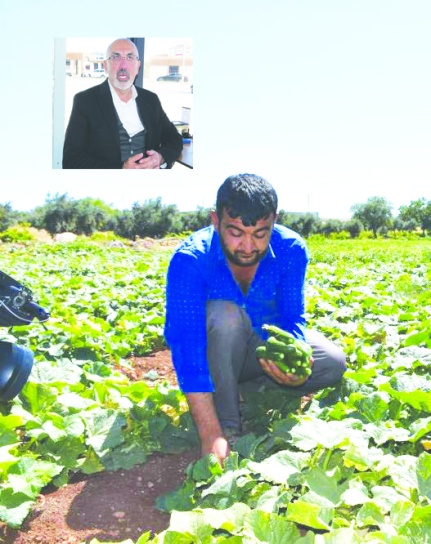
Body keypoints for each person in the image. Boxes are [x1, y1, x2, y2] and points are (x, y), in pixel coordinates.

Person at [164, 173, 347, 462]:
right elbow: (187, 347)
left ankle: (245, 389)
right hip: (213, 350)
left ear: (274, 220)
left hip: (260, 348)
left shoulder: (291, 249)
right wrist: (210, 435)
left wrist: (296, 354)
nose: (248, 246)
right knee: (225, 316)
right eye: (235, 232)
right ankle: (227, 423)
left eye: (260, 234)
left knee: (332, 363)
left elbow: (292, 316)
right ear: (215, 220)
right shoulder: (190, 260)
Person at [62, 38, 183, 169]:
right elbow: (71, 160)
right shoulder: (85, 101)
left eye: (130, 57)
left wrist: (160, 158)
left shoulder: (150, 100)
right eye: (116, 57)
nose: (123, 65)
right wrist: (120, 168)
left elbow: (174, 139)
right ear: (105, 66)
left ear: (138, 66)